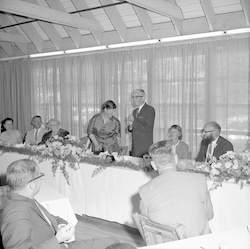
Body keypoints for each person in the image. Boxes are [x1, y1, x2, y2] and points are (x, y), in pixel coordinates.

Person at [0, 159, 119, 249]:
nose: (41, 180)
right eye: (40, 176)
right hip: (57, 245)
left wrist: (61, 225)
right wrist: (57, 239)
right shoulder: (15, 212)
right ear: (32, 184)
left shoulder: (25, 198)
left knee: (113, 242)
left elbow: (48, 217)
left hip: (61, 245)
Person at [139, 141, 214, 238]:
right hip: (197, 244)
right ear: (176, 159)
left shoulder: (144, 190)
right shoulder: (200, 179)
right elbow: (209, 215)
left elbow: (146, 225)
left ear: (153, 165)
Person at [127, 89, 155, 157]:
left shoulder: (150, 110)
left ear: (143, 98)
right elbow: (133, 128)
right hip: (135, 146)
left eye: (136, 97)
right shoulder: (135, 111)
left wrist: (133, 121)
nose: (134, 99)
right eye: (133, 97)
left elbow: (147, 128)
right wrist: (130, 126)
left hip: (144, 146)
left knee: (144, 166)